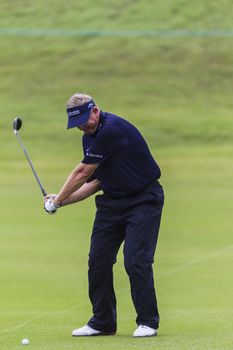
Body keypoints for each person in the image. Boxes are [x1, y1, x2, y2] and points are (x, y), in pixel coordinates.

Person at [44, 93, 164, 337]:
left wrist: (57, 200)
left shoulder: (112, 130)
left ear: (95, 111)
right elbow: (94, 182)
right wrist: (61, 201)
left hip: (143, 200)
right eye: (77, 124)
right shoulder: (89, 137)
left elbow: (81, 172)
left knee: (136, 260)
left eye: (85, 120)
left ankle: (148, 321)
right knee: (98, 260)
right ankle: (103, 322)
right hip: (112, 203)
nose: (82, 126)